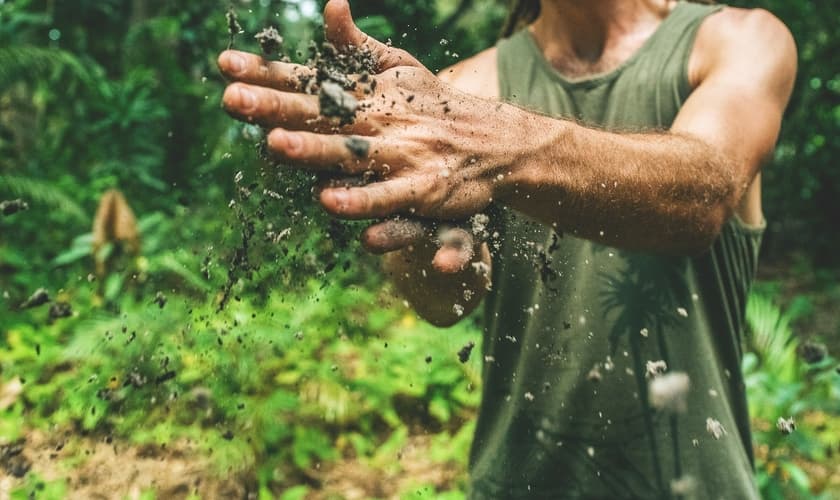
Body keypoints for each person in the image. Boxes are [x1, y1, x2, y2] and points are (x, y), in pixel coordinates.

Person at [218, 0, 796, 497]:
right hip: (517, 482)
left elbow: (702, 194)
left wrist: (500, 145)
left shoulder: (737, 40)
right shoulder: (463, 90)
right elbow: (442, 302)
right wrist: (435, 247)